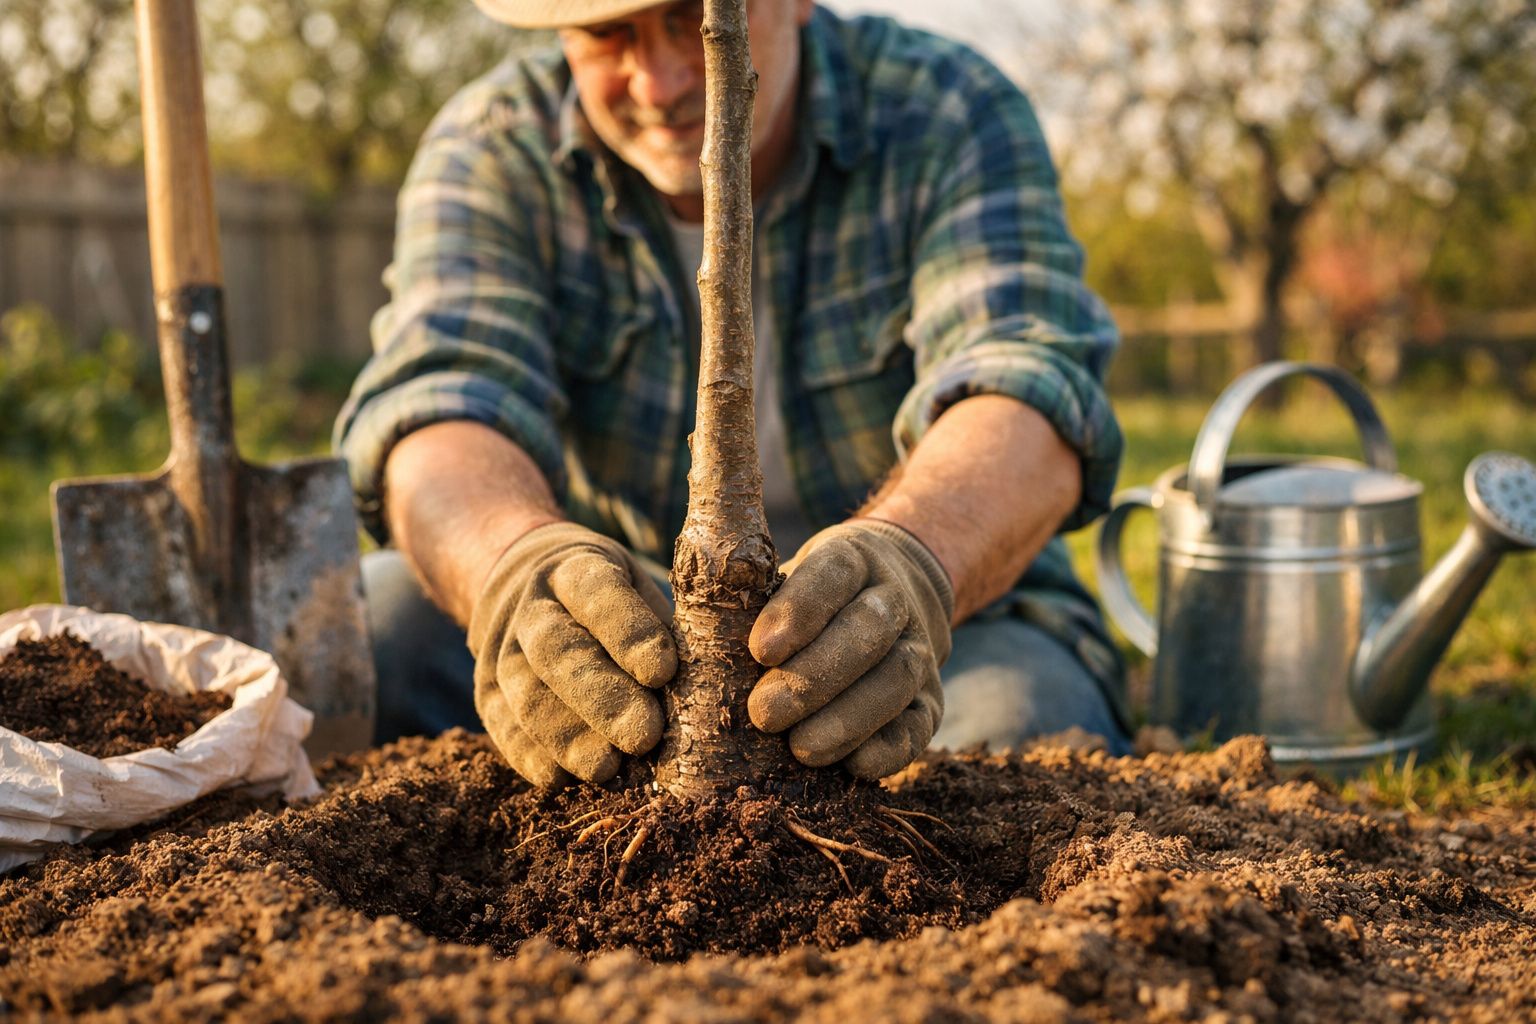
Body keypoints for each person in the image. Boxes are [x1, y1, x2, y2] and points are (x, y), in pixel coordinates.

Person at [334, 0, 1131, 788]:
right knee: (373, 629)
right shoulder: (495, 144)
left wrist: (919, 556)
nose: (659, 83)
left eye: (688, 17)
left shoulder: (945, 109)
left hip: (949, 616)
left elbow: (1026, 383)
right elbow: (442, 399)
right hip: (620, 621)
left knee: (1021, 729)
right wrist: (512, 563)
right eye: (609, 33)